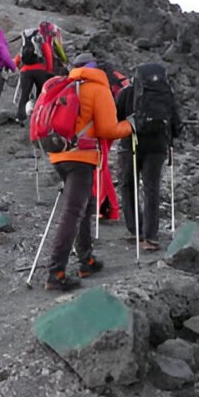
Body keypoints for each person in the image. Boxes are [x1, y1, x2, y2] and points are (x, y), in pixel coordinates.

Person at [44, 53, 133, 291]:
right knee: (73, 212)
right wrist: (131, 125)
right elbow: (108, 128)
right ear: (95, 68)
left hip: (58, 154)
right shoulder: (97, 88)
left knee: (82, 206)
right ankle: (56, 272)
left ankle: (87, 260)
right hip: (81, 157)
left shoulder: (64, 84)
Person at [116, 63, 182, 251]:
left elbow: (116, 118)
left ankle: (135, 229)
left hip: (132, 144)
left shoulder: (127, 93)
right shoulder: (166, 93)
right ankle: (151, 236)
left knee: (129, 185)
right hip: (158, 147)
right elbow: (176, 122)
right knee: (151, 188)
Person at [74, 54, 128, 222]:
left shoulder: (89, 81)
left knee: (99, 167)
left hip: (98, 127)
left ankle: (103, 208)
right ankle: (110, 209)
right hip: (114, 123)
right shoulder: (113, 77)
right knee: (101, 166)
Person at [13, 28, 55, 125]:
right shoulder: (40, 40)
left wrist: (15, 65)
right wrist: (49, 70)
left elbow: (19, 56)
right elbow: (48, 54)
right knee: (41, 93)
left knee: (24, 94)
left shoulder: (25, 42)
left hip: (25, 71)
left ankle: (20, 117)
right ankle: (40, 115)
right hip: (40, 70)